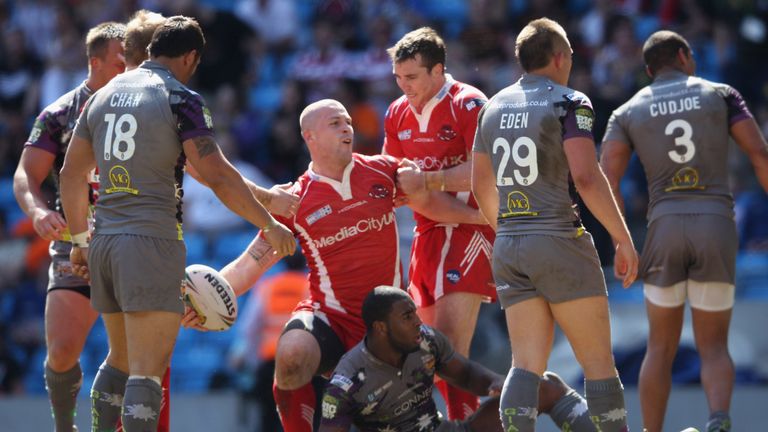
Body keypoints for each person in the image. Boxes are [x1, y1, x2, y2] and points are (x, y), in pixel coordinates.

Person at [184, 98, 484, 432]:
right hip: (330, 317)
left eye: (348, 122)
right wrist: (203, 301)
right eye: (335, 123)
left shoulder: (384, 170)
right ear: (309, 136)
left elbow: (438, 194)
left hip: (386, 326)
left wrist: (477, 215)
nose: (347, 128)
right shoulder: (294, 199)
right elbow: (247, 267)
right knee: (292, 355)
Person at [59, 16, 296, 432]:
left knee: (119, 360)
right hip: (151, 241)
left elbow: (70, 175)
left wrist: (79, 242)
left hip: (104, 244)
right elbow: (217, 173)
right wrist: (269, 222)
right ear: (190, 57)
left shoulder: (101, 95)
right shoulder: (180, 97)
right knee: (147, 375)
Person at [471, 18, 638, 432]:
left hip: (510, 243)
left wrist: (510, 230)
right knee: (599, 364)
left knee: (525, 366)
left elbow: (480, 185)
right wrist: (622, 238)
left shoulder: (492, 106)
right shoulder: (570, 101)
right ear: (560, 57)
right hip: (559, 238)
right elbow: (586, 177)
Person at [600, 30, 768, 432]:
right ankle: (718, 420)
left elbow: (605, 180)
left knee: (659, 347)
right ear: (684, 56)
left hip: (664, 229)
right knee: (713, 346)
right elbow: (759, 152)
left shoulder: (627, 111)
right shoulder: (722, 94)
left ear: (648, 70)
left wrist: (621, 242)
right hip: (715, 225)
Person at [12, 21, 126, 432]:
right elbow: (26, 174)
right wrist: (38, 211)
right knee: (61, 351)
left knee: (131, 355)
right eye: (119, 60)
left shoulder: (146, 109)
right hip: (73, 242)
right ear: (94, 63)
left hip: (130, 241)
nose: (128, 67)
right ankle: (65, 427)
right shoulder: (59, 113)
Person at [382, 26, 494, 421]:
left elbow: (487, 172)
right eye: (398, 78)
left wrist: (428, 183)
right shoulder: (396, 112)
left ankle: (508, 408)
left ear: (438, 71)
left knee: (447, 350)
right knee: (426, 354)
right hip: (428, 231)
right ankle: (495, 408)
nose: (404, 86)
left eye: (412, 77)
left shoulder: (469, 103)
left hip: (471, 231)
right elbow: (397, 181)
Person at [318, 286, 598, 432]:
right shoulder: (346, 382)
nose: (418, 322)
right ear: (380, 327)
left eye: (415, 313)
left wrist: (496, 382)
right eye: (407, 317)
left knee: (543, 386)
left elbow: (465, 374)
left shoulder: (425, 339)